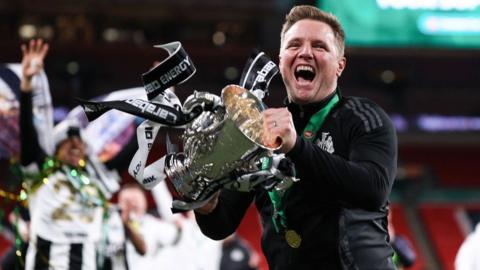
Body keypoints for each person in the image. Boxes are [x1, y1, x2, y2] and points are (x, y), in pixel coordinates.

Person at [194, 5, 397, 270]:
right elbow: (221, 225)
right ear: (281, 60)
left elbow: (374, 190)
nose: (305, 52)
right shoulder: (258, 131)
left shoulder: (363, 117)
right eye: (294, 45)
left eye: (320, 46)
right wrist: (206, 205)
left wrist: (296, 148)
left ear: (340, 65)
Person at [19, 39, 133, 270]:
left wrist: (156, 107)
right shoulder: (40, 171)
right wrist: (27, 87)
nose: (74, 146)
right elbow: (28, 136)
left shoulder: (96, 175)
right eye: (66, 142)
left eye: (79, 143)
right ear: (55, 148)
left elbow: (132, 150)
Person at [101, 183, 181, 270]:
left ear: (144, 203)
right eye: (127, 201)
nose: (131, 205)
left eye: (135, 200)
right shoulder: (109, 221)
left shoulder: (152, 224)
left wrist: (127, 223)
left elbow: (144, 250)